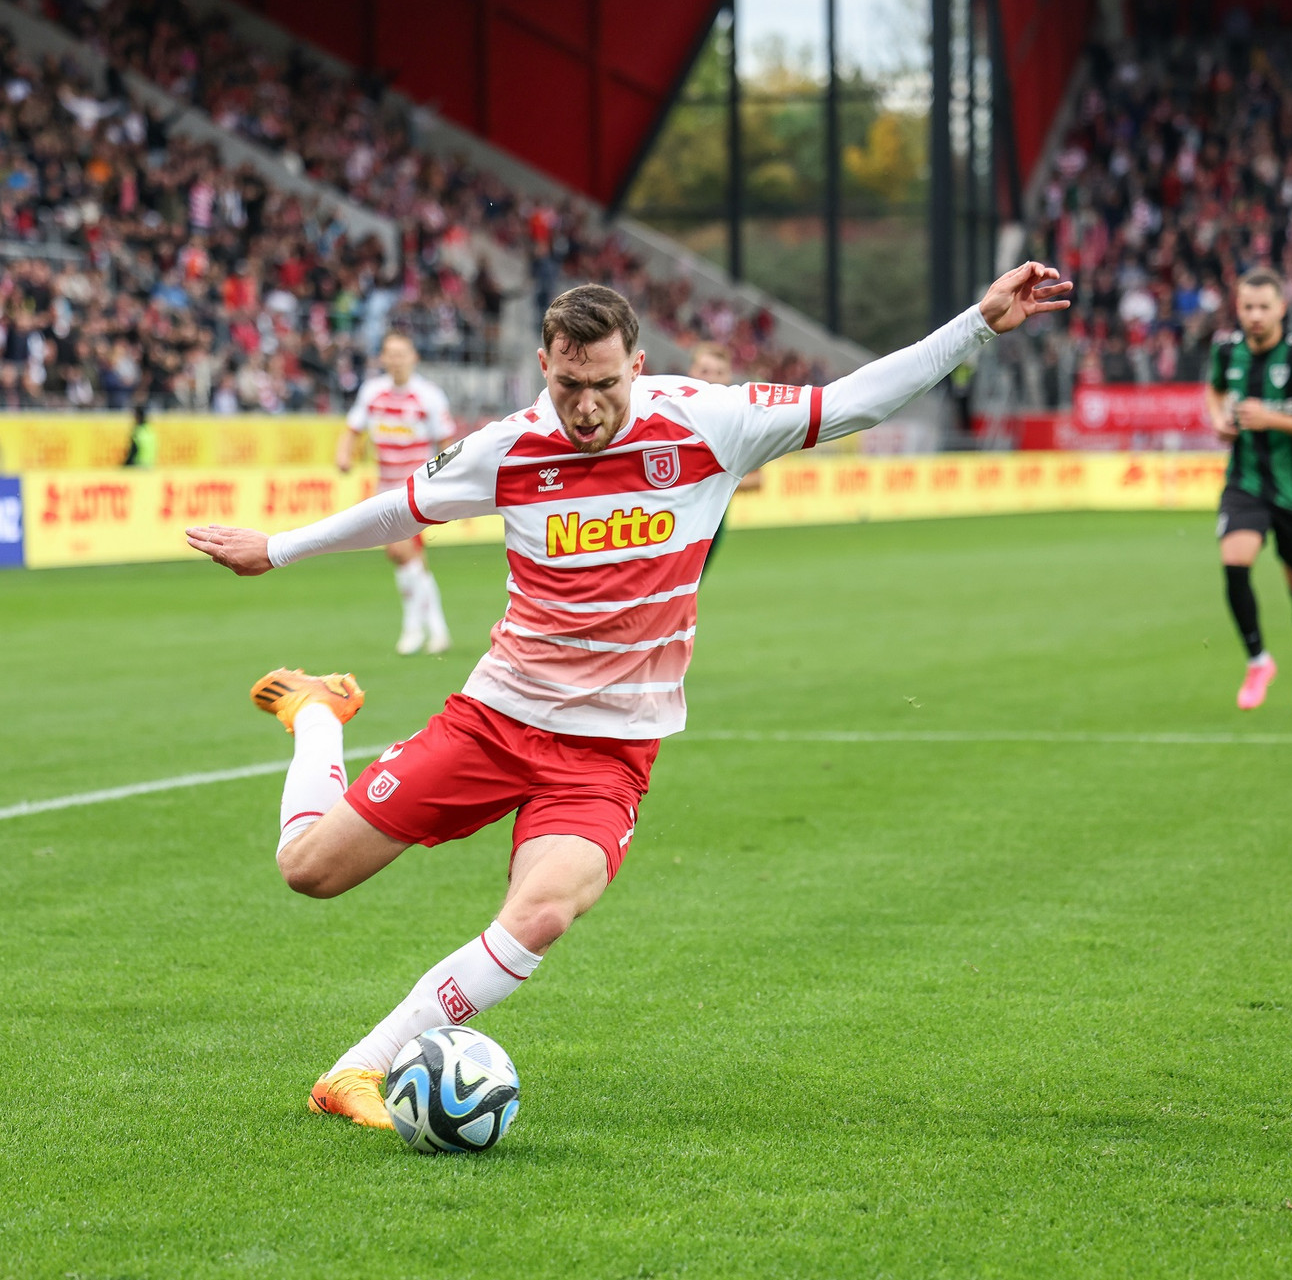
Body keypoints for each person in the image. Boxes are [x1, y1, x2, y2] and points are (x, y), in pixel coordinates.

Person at [186, 262, 1071, 1129]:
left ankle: (358, 1068)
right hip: (496, 721)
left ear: (636, 367)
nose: (586, 406)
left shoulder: (707, 423)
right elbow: (401, 508)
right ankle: (314, 716)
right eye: (569, 385)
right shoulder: (511, 446)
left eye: (604, 384)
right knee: (308, 871)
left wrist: (978, 322)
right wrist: (280, 547)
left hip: (608, 754)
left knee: (540, 911)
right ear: (545, 367)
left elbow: (854, 401)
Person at [1203, 268, 1292, 718]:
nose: (1255, 316)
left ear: (1281, 308)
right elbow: (1214, 391)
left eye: (1264, 307)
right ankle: (1259, 661)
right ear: (1237, 309)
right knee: (1234, 563)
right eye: (1247, 307)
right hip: (1245, 482)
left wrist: (1271, 418)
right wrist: (1221, 420)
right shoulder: (1226, 350)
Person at [338, 331, 454, 654]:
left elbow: (447, 443)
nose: (396, 359)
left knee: (401, 551)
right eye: (390, 353)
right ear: (383, 358)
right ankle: (436, 630)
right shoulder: (373, 392)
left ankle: (413, 630)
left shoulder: (428, 396)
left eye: (402, 353)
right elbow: (352, 429)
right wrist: (344, 455)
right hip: (384, 485)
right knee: (407, 556)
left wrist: (446, 480)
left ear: (414, 357)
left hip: (416, 486)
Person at [686, 342, 762, 566]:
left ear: (729, 378)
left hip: (711, 521)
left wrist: (712, 478)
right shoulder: (666, 413)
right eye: (705, 371)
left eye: (719, 373)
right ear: (691, 372)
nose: (711, 379)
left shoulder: (739, 426)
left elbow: (757, 479)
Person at [123, 402, 157, 468]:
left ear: (138, 416)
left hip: (138, 466)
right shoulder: (150, 429)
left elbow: (133, 451)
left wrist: (125, 465)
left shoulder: (137, 431)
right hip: (150, 466)